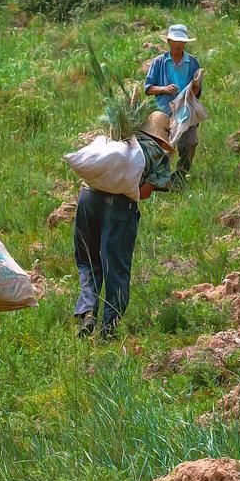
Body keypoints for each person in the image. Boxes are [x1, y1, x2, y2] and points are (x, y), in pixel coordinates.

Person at [74, 112, 172, 339]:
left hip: (88, 200)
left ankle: (88, 312)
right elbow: (143, 193)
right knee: (115, 266)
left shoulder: (116, 138)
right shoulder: (157, 154)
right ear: (160, 136)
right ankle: (109, 326)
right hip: (120, 208)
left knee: (87, 259)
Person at [144, 24, 201, 188]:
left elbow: (197, 91)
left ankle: (180, 176)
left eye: (181, 41)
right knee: (162, 149)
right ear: (169, 41)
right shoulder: (159, 62)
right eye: (175, 41)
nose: (178, 44)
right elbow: (148, 88)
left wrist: (195, 88)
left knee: (190, 144)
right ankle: (159, 180)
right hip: (164, 113)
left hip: (186, 111)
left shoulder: (192, 62)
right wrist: (164, 88)